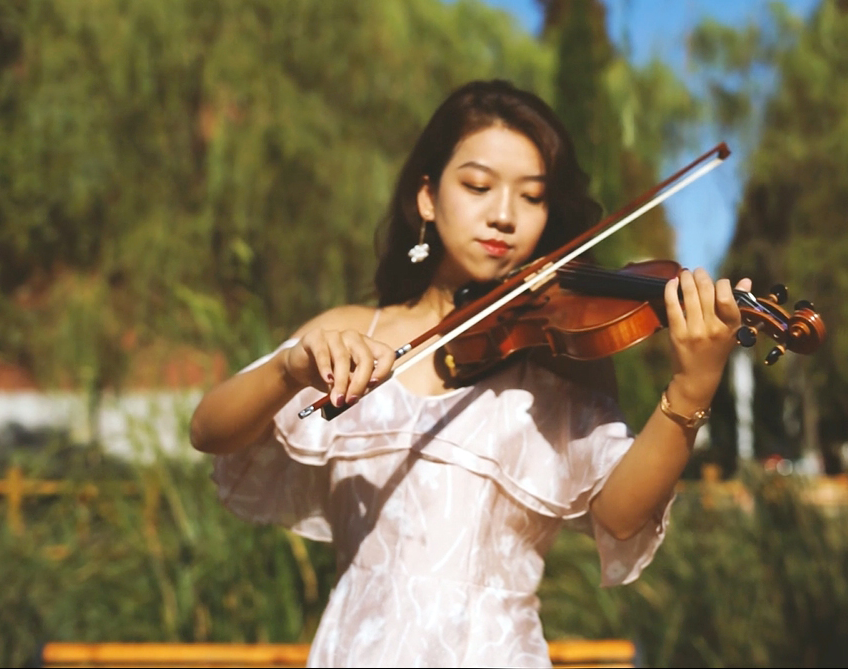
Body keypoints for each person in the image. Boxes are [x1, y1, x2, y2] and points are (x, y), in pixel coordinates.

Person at [188, 78, 750, 668]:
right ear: (427, 197)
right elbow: (209, 431)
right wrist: (289, 369)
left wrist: (692, 386)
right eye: (478, 186)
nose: (503, 215)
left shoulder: (556, 356)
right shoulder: (354, 330)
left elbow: (619, 514)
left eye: (532, 197)